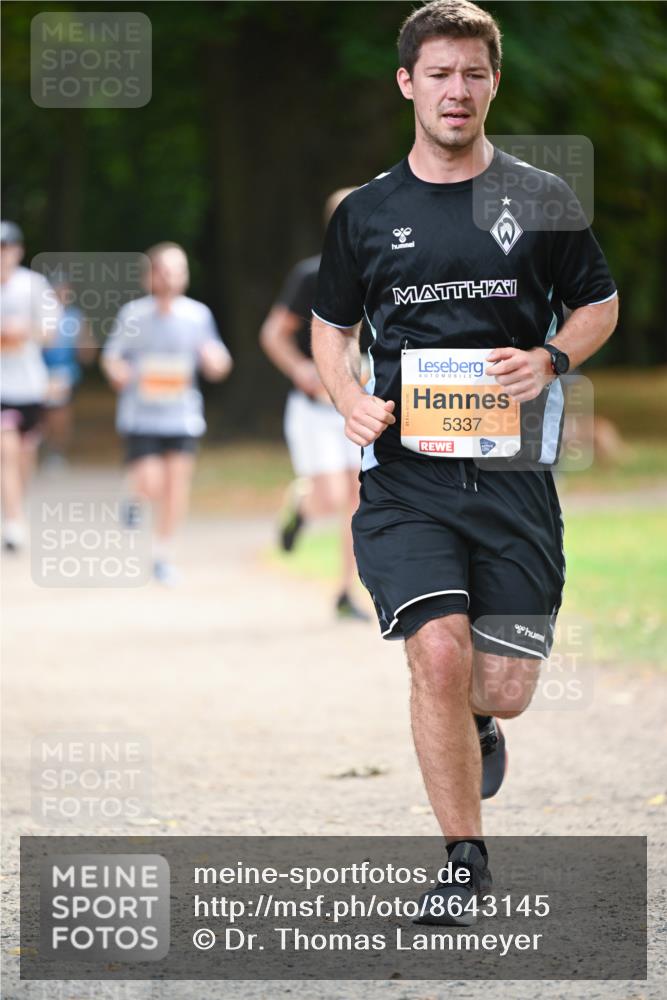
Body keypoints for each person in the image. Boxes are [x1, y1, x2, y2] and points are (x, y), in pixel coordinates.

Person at [311, 0, 618, 921]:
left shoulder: (539, 199)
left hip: (515, 480)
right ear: (407, 83)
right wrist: (349, 398)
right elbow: (332, 331)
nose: (456, 90)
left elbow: (598, 304)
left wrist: (552, 357)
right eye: (438, 73)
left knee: (503, 689)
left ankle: (481, 720)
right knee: (436, 657)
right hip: (405, 480)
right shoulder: (365, 213)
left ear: (493, 84)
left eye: (472, 74)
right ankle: (463, 860)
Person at [260, 189, 369, 621]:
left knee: (358, 498)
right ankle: (301, 509)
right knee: (330, 496)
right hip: (314, 410)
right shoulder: (310, 275)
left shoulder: (387, 270)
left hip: (359, 408)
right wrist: (301, 369)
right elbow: (273, 334)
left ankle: (346, 592)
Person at [101, 242, 232, 585]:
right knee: (152, 482)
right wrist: (118, 372)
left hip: (182, 415)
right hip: (141, 415)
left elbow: (217, 359)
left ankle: (163, 555)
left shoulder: (197, 314)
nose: (173, 277)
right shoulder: (132, 315)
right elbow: (112, 356)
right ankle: (134, 495)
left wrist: (215, 361)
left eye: (180, 270)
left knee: (176, 486)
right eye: (166, 270)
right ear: (150, 276)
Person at [0, 221, 60, 551]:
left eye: (6, 249)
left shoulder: (34, 286)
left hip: (29, 385)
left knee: (24, 455)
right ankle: (12, 521)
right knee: (5, 451)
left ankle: (16, 505)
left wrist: (25, 330)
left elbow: (51, 331)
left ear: (17, 251)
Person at [41, 270, 94, 467]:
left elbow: (86, 346)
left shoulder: (75, 317)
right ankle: (43, 446)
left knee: (60, 412)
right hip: (40, 371)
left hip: (65, 372)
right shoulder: (41, 315)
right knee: (43, 414)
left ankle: (56, 450)